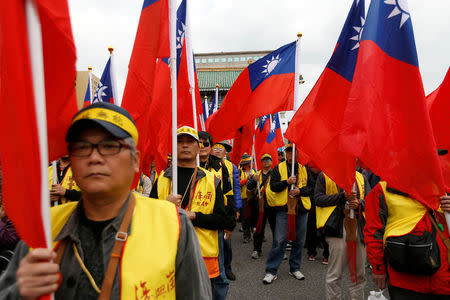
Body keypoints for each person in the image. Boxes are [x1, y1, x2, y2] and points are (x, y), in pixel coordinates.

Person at [0, 102, 211, 299]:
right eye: (82, 147)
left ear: (135, 161)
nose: (94, 157)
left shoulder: (173, 223)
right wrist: (17, 293)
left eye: (110, 146)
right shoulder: (44, 229)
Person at [151, 127, 230, 299]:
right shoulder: (162, 179)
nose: (185, 146)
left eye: (190, 142)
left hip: (201, 256)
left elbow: (221, 220)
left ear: (198, 147)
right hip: (167, 256)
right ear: (173, 147)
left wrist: (193, 216)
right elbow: (148, 220)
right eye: (179, 142)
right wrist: (165, 207)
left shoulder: (211, 180)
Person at [365, 150, 450, 299]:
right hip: (404, 280)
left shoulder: (445, 187)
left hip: (443, 279)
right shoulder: (382, 189)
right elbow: (374, 232)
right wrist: (378, 269)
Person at [263, 143, 315, 284]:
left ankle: (295, 268)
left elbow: (311, 188)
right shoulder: (278, 168)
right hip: (283, 210)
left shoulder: (304, 169)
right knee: (279, 241)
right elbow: (273, 186)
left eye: (293, 152)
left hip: (301, 209)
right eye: (288, 152)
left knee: (299, 241)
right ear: (285, 153)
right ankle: (271, 270)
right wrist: (286, 182)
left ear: (298, 154)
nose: (291, 154)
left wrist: (300, 191)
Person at [315, 168, 370, 300]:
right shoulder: (324, 175)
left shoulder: (361, 177)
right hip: (337, 229)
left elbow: (371, 200)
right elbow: (318, 199)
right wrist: (341, 197)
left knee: (358, 274)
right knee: (335, 274)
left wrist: (359, 203)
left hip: (358, 227)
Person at [210, 140, 240, 282]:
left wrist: (236, 209)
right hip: (210, 207)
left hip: (227, 207)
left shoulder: (231, 167)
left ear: (225, 153)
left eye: (221, 149)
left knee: (226, 244)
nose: (218, 150)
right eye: (215, 148)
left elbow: (236, 189)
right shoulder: (206, 164)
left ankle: (227, 268)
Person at [247, 153, 276, 259]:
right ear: (261, 162)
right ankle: (256, 249)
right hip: (259, 206)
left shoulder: (275, 174)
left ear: (272, 162)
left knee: (276, 229)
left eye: (268, 159)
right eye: (264, 160)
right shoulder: (257, 174)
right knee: (258, 228)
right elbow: (249, 188)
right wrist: (253, 180)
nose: (266, 161)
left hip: (273, 205)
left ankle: (278, 250)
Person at [305, 165, 329, 264]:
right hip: (312, 204)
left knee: (326, 229)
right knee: (311, 229)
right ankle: (311, 252)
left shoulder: (327, 170)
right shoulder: (306, 169)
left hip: (325, 204)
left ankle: (327, 254)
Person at [239, 153, 256, 243]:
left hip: (254, 196)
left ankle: (257, 235)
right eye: (248, 162)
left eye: (250, 162)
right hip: (244, 197)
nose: (250, 163)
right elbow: (237, 183)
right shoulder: (240, 171)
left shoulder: (254, 170)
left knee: (254, 216)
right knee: (245, 217)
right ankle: (246, 235)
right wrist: (246, 180)